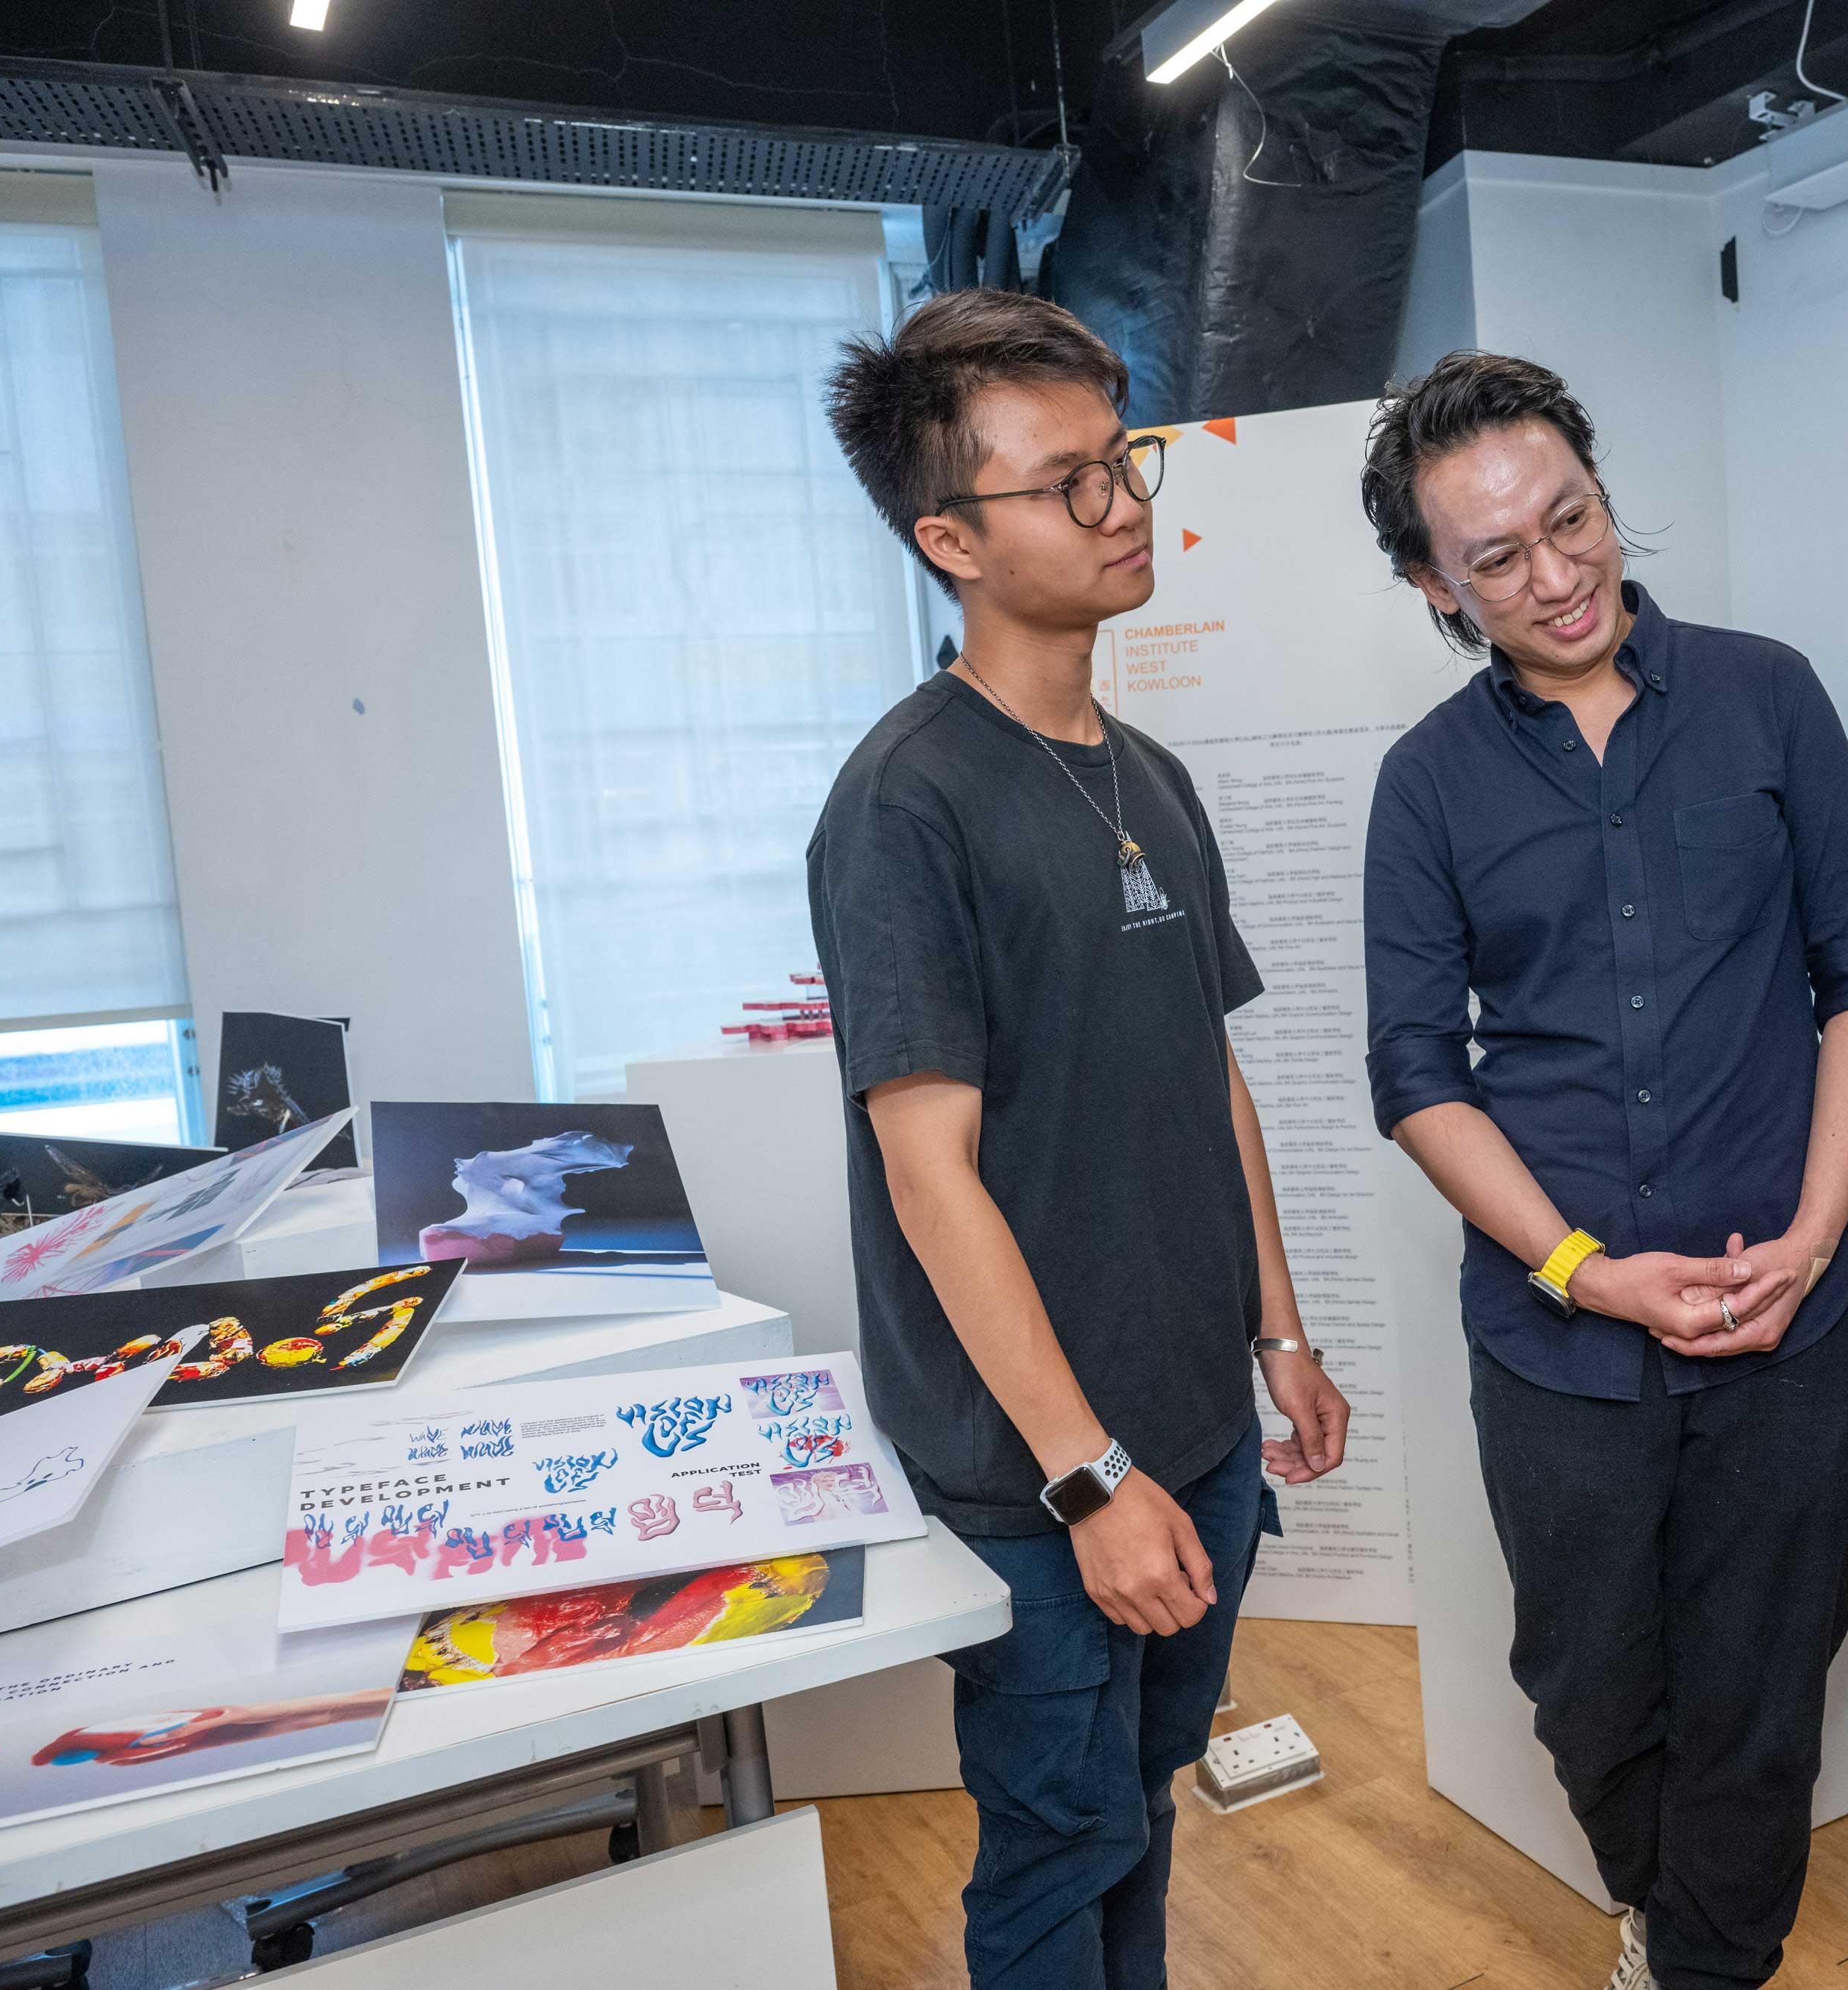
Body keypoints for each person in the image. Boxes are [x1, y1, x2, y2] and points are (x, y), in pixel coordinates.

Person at [808, 289, 1350, 1989]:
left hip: (1195, 1419)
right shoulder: (903, 802)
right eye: (1071, 484)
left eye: (1122, 465)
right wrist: (1090, 1478)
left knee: (1141, 1797)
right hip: (1048, 1469)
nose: (1124, 508)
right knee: (1057, 1846)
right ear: (950, 539)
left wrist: (1279, 1331)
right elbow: (929, 1176)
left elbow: (1209, 1073)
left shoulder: (1150, 773)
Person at [1359, 350, 1848, 1990]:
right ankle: (1678, 1927)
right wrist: (1584, 1272)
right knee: (1587, 1685)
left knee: (1762, 1688)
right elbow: (1416, 1075)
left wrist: (1815, 1232)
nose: (1556, 576)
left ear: (1601, 491)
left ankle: (1696, 1967)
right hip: (1561, 1338)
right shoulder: (1428, 784)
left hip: (1785, 1311)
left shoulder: (1767, 697)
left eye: (1571, 518)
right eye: (1497, 559)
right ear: (1436, 588)